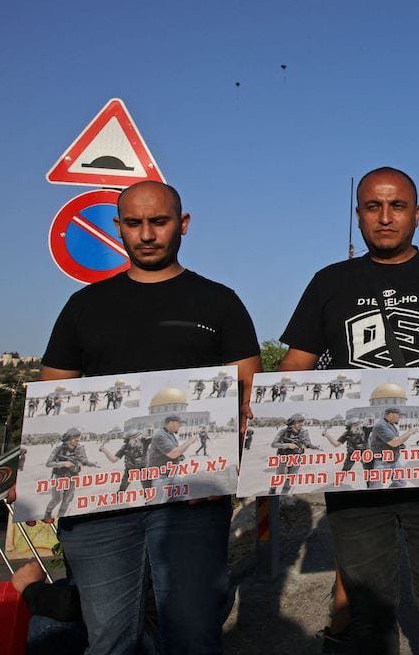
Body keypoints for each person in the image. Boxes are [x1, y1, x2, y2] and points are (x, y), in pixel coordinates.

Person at [39, 180, 260, 654]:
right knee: (109, 640)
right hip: (99, 509)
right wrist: (34, 470)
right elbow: (52, 396)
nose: (146, 234)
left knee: (193, 637)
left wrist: (228, 461)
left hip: (192, 502)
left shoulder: (219, 302)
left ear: (183, 224)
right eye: (133, 223)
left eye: (158, 222)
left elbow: (249, 396)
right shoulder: (84, 306)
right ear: (117, 227)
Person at [278, 166, 419, 655]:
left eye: (397, 206)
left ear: (417, 215)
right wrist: (265, 418)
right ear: (358, 215)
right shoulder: (330, 281)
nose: (386, 217)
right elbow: (295, 366)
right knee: (368, 612)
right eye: (373, 206)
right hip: (357, 476)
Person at [44, 429, 99, 519]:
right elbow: (48, 463)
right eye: (74, 438)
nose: (77, 440)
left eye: (78, 437)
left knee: (67, 500)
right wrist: (63, 464)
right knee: (57, 498)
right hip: (60, 476)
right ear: (68, 439)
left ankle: (61, 517)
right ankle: (48, 512)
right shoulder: (59, 448)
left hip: (73, 477)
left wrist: (91, 464)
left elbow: (84, 461)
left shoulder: (80, 448)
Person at [270, 413, 321, 495]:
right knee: (280, 475)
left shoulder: (304, 432)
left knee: (291, 477)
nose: (301, 424)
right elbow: (273, 444)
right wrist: (287, 445)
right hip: (284, 456)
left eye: (302, 422)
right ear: (292, 423)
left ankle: (284, 495)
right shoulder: (283, 431)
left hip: (296, 458)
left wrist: (313, 447)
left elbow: (308, 443)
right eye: (299, 422)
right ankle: (272, 490)